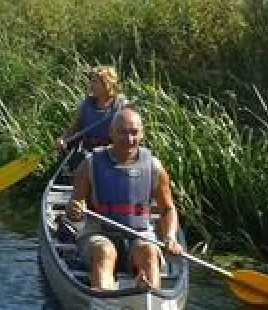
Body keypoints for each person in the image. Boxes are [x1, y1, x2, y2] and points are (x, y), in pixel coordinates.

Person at [65, 105, 183, 291]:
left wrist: (170, 236)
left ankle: (149, 295)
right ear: (111, 132)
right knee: (105, 252)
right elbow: (73, 212)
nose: (129, 139)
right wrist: (75, 210)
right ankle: (106, 296)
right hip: (99, 233)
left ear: (142, 133)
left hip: (139, 234)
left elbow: (167, 208)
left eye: (134, 133)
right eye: (122, 132)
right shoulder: (89, 164)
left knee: (149, 252)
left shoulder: (154, 167)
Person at [56, 65, 127, 152]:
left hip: (110, 152)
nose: (91, 85)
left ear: (107, 83)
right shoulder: (87, 103)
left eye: (95, 82)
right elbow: (76, 126)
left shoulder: (120, 105)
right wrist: (63, 139)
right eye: (91, 82)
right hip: (87, 151)